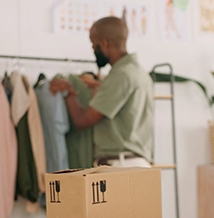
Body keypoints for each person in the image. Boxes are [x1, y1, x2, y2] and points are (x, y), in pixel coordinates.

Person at [49, 16, 154, 167]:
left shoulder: (120, 75)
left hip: (120, 165)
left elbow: (82, 120)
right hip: (135, 163)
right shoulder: (139, 72)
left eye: (94, 44)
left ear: (104, 44)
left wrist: (68, 91)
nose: (93, 49)